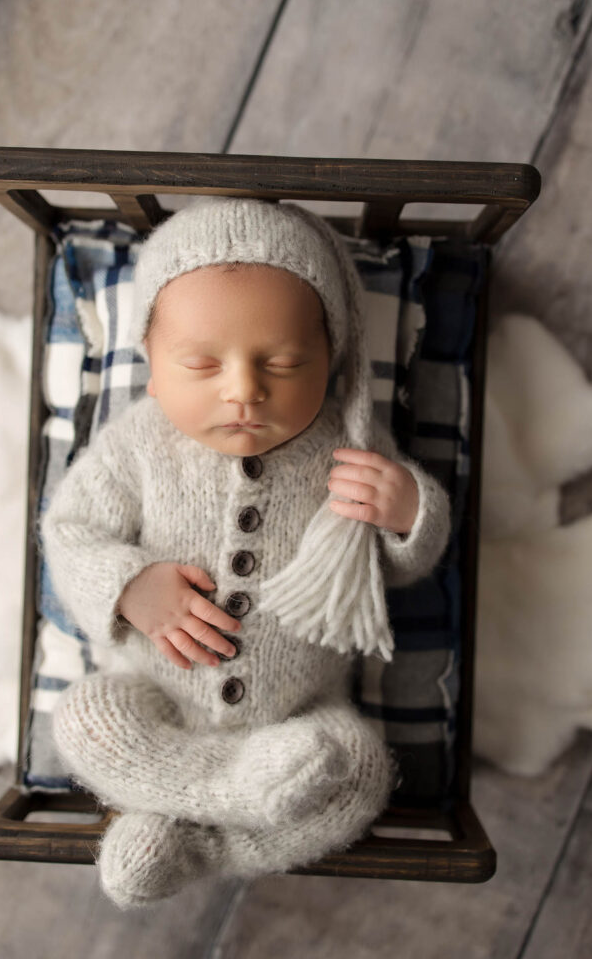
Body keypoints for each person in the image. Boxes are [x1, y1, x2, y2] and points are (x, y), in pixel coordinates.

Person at [42, 196, 451, 909]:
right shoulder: (138, 446)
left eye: (286, 362)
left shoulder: (347, 447)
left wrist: (410, 513)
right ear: (149, 357)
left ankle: (199, 845)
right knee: (86, 717)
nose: (244, 391)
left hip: (301, 719)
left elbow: (398, 566)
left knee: (357, 773)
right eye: (201, 363)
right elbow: (70, 531)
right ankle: (224, 788)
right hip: (158, 701)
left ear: (332, 356)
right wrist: (129, 586)